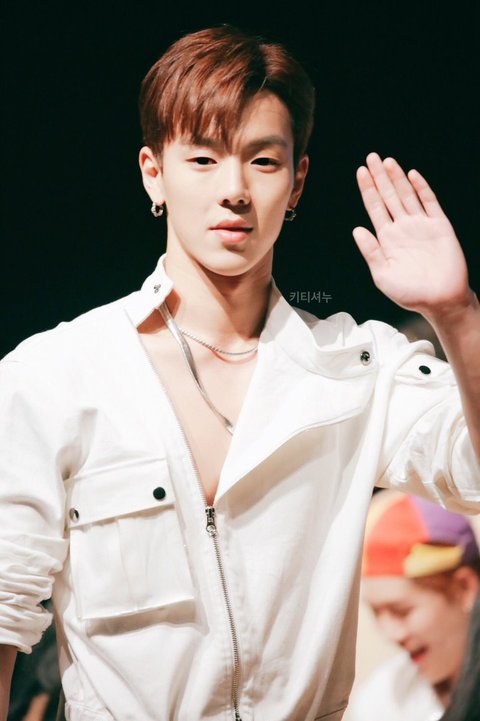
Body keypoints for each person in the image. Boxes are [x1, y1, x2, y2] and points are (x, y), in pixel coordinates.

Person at [0, 24, 479, 721]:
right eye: (202, 158)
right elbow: (4, 612)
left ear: (297, 180)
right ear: (153, 172)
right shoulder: (57, 376)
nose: (234, 190)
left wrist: (458, 315)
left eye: (262, 160)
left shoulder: (356, 368)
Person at [347, 491, 480, 721]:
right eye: (376, 612)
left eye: (401, 611)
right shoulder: (382, 699)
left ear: (464, 587)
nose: (391, 634)